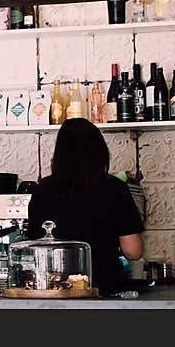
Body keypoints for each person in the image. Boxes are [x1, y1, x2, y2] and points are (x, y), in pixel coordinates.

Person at [27, 118, 144, 294]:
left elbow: (34, 248)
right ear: (101, 152)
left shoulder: (42, 189)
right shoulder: (115, 188)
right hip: (102, 291)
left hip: (52, 292)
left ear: (59, 153)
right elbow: (133, 252)